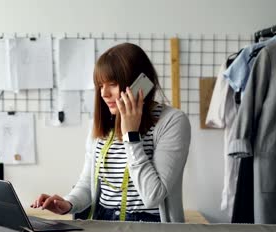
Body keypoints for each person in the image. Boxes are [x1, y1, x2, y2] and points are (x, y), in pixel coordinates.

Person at [31, 43, 191, 222]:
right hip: (103, 220)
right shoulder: (101, 124)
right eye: (100, 85)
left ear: (141, 84)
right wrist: (67, 203)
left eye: (113, 84)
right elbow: (88, 183)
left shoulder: (172, 121)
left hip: (151, 226)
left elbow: (153, 196)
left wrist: (131, 136)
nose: (104, 93)